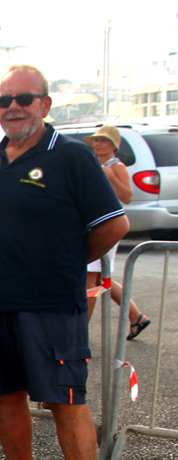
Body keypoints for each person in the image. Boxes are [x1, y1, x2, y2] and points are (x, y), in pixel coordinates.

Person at [0, 65, 129, 460]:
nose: (13, 107)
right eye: (4, 101)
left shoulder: (74, 157)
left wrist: (64, 261)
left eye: (24, 98)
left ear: (45, 104)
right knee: (5, 397)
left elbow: (114, 226)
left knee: (64, 400)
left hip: (51, 304)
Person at [83, 125, 148, 338]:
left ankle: (81, 332)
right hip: (93, 221)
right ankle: (136, 316)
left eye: (104, 140)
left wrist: (110, 175)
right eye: (96, 139)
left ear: (113, 145)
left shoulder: (116, 166)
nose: (98, 143)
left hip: (107, 224)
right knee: (103, 279)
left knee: (90, 280)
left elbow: (127, 196)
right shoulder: (94, 162)